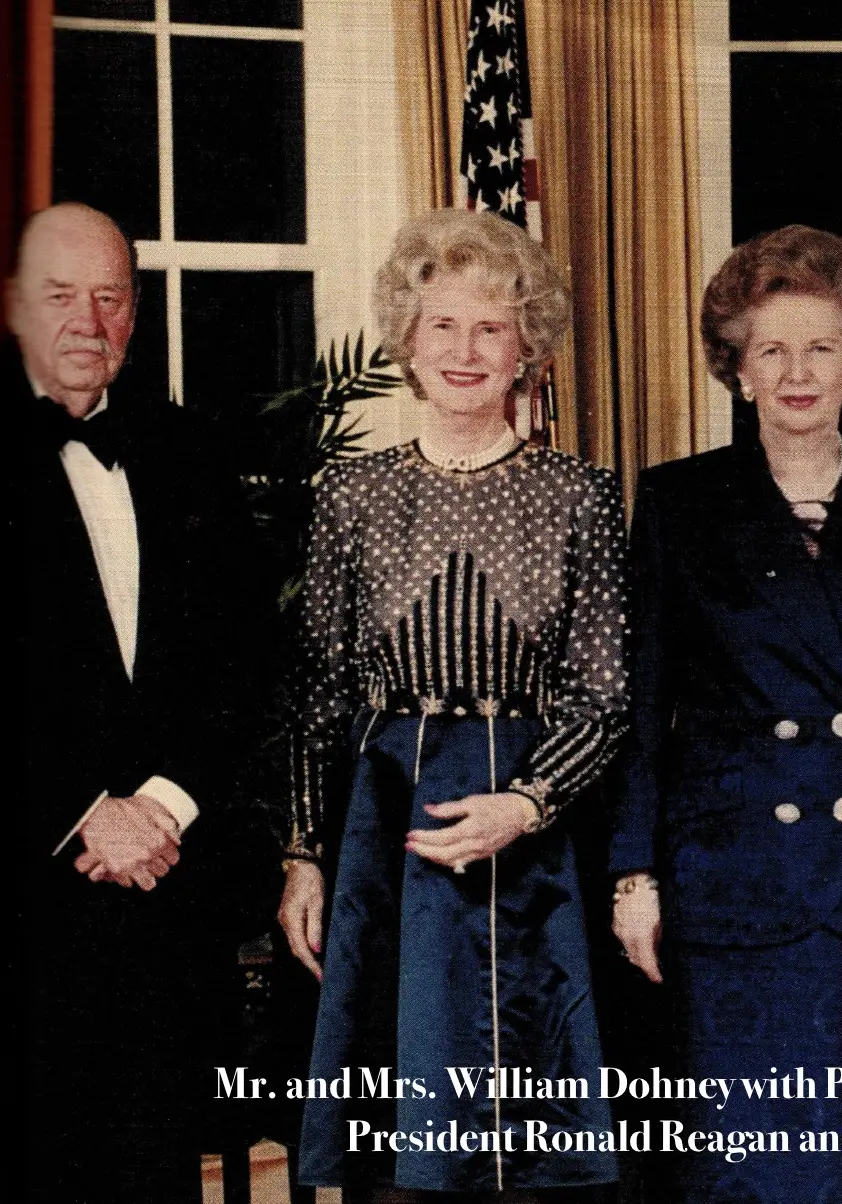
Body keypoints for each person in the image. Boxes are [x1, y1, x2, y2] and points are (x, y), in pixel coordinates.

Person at [609, 223, 842, 1204]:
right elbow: (644, 703)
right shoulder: (681, 503)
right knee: (747, 1159)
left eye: (821, 347)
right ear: (737, 369)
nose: (798, 371)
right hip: (731, 875)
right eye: (771, 347)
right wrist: (632, 869)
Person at [276, 209, 626, 1199]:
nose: (465, 350)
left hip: (537, 841)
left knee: (536, 1140)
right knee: (402, 1149)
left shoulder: (581, 496)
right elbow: (320, 695)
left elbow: (603, 699)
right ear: (406, 341)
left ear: (529, 348)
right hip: (391, 834)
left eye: (492, 327)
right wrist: (303, 855)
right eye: (443, 325)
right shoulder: (350, 494)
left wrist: (526, 803)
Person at [10, 202, 274, 1202]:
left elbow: (243, 656)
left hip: (165, 909)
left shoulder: (185, 450)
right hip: (31, 903)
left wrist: (163, 802)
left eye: (111, 296)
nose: (89, 319)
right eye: (61, 295)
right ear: (14, 307)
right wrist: (85, 809)